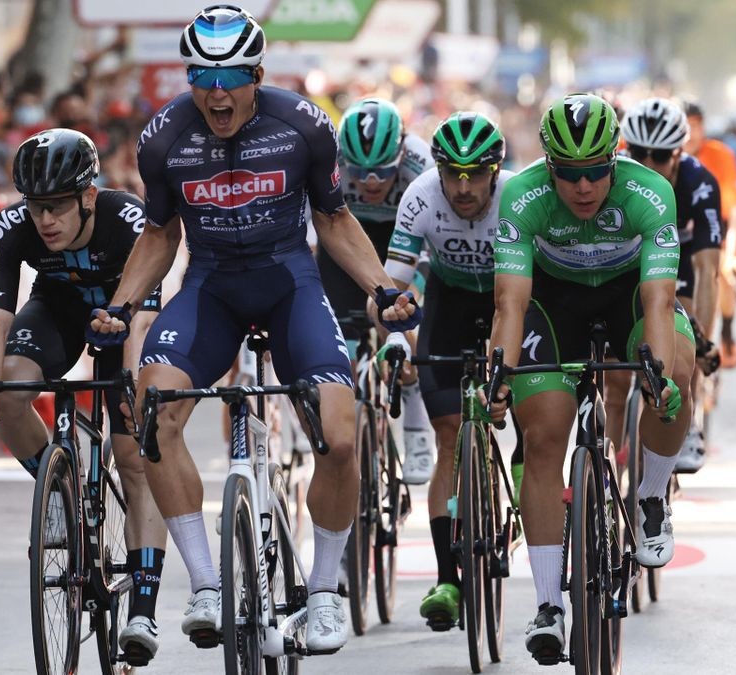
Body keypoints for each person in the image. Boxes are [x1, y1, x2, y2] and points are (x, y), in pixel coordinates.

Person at [87, 5, 418, 655]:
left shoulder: (302, 125)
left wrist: (381, 286)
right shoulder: (162, 139)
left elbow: (335, 219)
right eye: (201, 76)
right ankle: (208, 584)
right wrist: (122, 305)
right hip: (210, 289)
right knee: (152, 408)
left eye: (231, 75)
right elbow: (159, 236)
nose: (215, 91)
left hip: (288, 285)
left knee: (341, 435)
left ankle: (324, 592)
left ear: (257, 74)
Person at [485, 93, 693, 662]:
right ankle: (549, 603)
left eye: (597, 172)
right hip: (554, 306)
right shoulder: (521, 197)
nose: (583, 187)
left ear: (615, 159)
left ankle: (650, 496)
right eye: (570, 175)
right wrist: (499, 376)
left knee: (676, 365)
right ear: (550, 166)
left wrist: (653, 374)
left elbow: (658, 298)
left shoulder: (650, 193)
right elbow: (510, 301)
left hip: (630, 299)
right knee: (545, 431)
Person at [0, 128, 169, 665]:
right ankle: (61, 492)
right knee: (11, 385)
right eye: (36, 208)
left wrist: (131, 391)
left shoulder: (128, 219)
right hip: (57, 309)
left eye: (57, 207)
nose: (45, 221)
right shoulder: (14, 227)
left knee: (133, 454)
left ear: (88, 197)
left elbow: (143, 321)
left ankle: (143, 606)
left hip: (124, 321)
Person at [381, 111, 515, 630]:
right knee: (449, 435)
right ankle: (448, 579)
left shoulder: (517, 195)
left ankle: (525, 465)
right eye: (451, 173)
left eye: (475, 174)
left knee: (532, 403)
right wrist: (397, 338)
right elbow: (395, 287)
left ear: (495, 171)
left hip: (512, 296)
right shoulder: (420, 196)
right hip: (451, 300)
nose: (463, 187)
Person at [326, 97, 438, 484]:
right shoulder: (327, 160)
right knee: (337, 333)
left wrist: (412, 293)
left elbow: (431, 240)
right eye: (359, 172)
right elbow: (310, 239)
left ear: (402, 153)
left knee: (401, 318)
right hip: (347, 238)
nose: (370, 183)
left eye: (382, 172)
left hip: (404, 240)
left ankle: (414, 412)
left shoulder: (421, 162)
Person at [616, 98, 723, 473]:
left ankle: (688, 415)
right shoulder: (611, 179)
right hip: (631, 259)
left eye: (659, 157)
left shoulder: (700, 184)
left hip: (681, 258)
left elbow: (708, 269)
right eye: (639, 154)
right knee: (612, 375)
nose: (647, 166)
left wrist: (704, 339)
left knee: (683, 340)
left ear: (678, 154)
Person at [683, 102, 736, 366]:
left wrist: (733, 254)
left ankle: (726, 335)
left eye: (694, 127)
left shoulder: (720, 154)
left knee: (721, 273)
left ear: (703, 127)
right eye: (684, 127)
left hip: (713, 226)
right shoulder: (663, 155)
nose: (689, 134)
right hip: (678, 228)